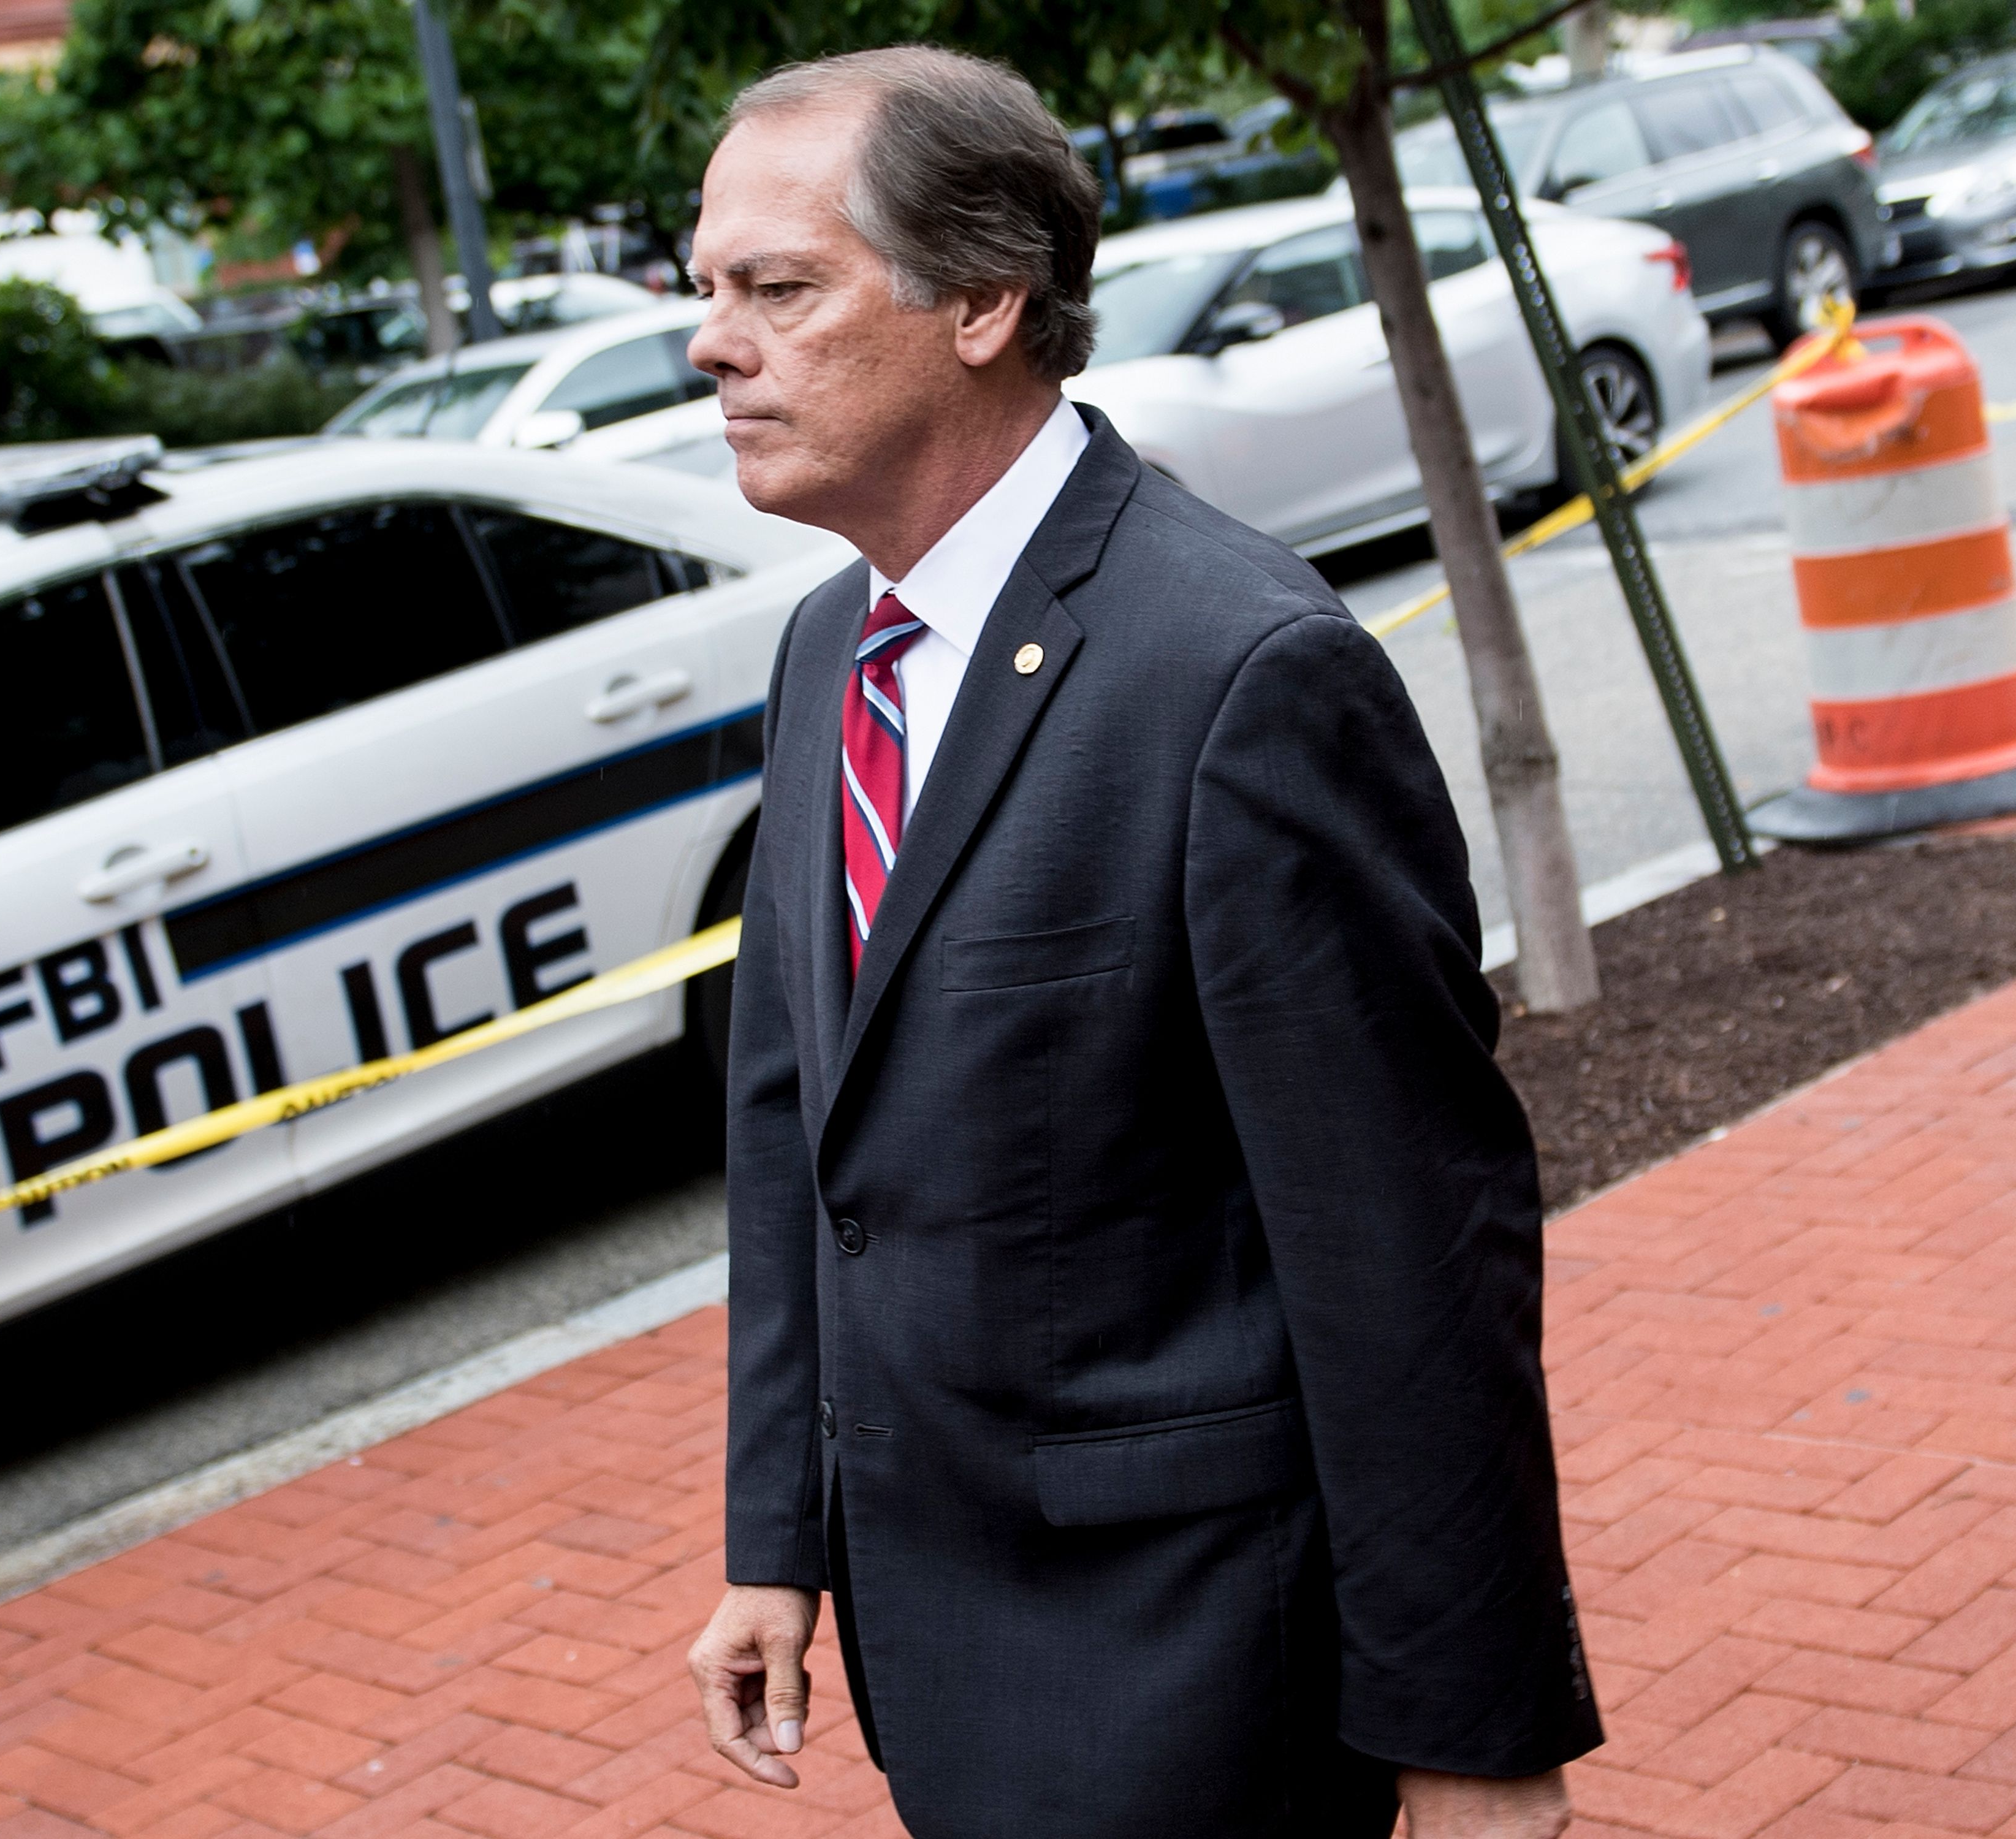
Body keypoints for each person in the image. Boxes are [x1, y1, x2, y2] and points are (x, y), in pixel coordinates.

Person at [680, 45, 1602, 1839]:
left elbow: (1409, 1256)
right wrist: (777, 1534)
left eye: (775, 290)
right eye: (706, 289)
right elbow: (799, 1137)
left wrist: (1477, 1743)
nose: (712, 343)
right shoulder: (823, 655)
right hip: (933, 1650)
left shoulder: (1241, 674)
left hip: (1197, 1674)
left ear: (983, 301)